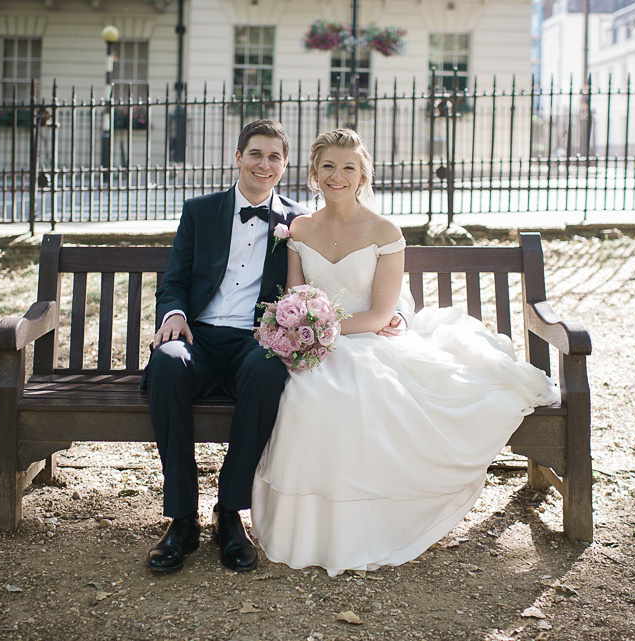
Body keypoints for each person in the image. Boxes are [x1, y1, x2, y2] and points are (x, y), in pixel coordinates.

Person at [250, 129, 559, 576]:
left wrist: (321, 332)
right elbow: (298, 296)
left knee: (357, 391)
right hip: (319, 346)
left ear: (363, 175)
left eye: (348, 167)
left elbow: (378, 313)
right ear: (315, 173)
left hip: (369, 341)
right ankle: (314, 532)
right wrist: (301, 330)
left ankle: (373, 525)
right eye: (329, 167)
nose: (338, 175)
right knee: (305, 394)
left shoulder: (384, 230)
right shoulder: (300, 229)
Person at [144, 120, 403, 574]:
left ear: (285, 166)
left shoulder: (298, 222)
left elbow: (340, 278)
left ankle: (229, 514)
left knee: (270, 370)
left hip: (255, 340)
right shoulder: (199, 211)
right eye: (256, 154)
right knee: (166, 365)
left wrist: (394, 315)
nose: (264, 164)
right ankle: (181, 519)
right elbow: (175, 281)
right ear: (239, 158)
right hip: (197, 337)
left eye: (274, 157)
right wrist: (175, 316)